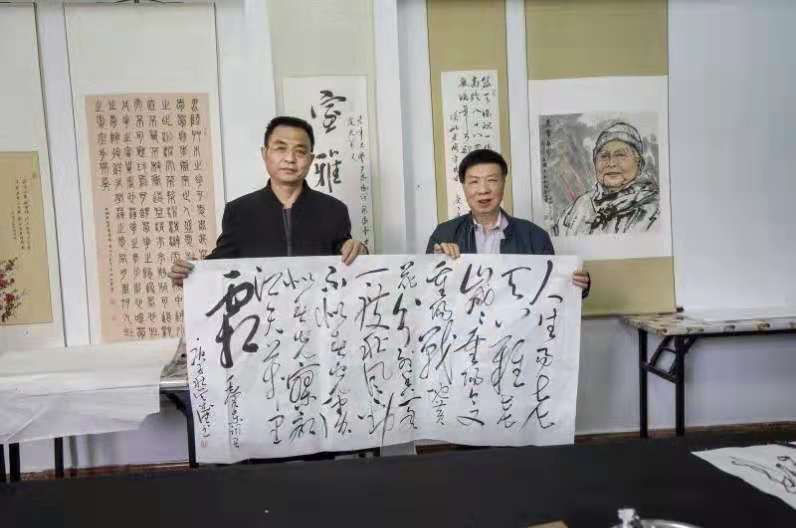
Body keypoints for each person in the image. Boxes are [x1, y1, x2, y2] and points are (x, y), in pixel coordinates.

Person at [169, 116, 367, 286]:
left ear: (310, 158)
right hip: (260, 317)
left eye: (300, 151)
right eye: (280, 148)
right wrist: (190, 273)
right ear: (265, 154)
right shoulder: (240, 212)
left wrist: (359, 250)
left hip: (315, 315)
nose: (290, 158)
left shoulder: (333, 210)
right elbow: (220, 265)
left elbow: (347, 261)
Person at [426, 148, 590, 294]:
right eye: (474, 181)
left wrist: (577, 285)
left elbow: (551, 290)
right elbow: (426, 293)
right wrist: (438, 264)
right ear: (464, 186)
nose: (483, 190)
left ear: (504, 183)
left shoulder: (534, 236)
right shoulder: (444, 234)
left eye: (492, 180)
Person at [554, 121, 659, 236]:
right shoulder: (579, 207)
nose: (611, 163)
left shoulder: (655, 211)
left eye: (621, 155)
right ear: (595, 163)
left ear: (640, 164)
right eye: (604, 156)